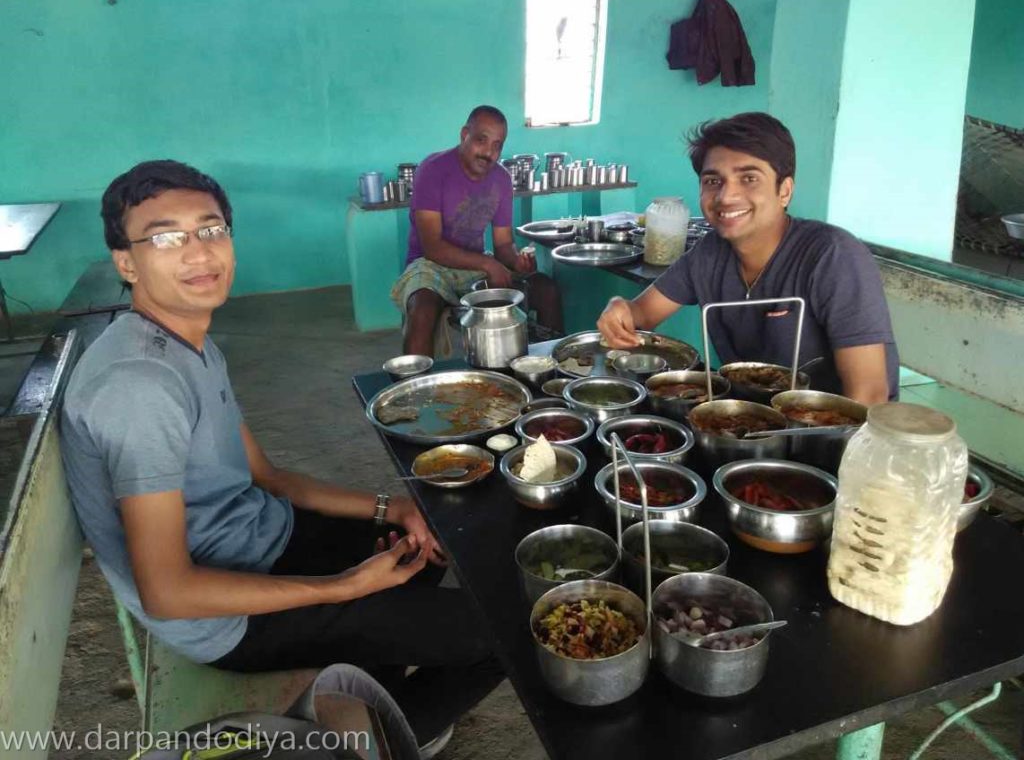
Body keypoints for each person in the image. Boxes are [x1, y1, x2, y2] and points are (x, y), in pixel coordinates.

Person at [60, 160, 503, 754]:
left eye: (211, 229)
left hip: (261, 538)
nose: (198, 252)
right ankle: (395, 735)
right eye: (166, 236)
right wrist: (340, 589)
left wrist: (394, 507)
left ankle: (367, 676)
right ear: (126, 261)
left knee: (426, 541)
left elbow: (266, 475)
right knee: (501, 634)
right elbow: (168, 591)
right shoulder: (139, 386)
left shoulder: (189, 338)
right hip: (221, 618)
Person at [598, 112, 898, 404]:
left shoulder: (833, 256)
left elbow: (869, 395)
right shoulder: (709, 253)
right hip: (747, 418)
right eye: (713, 181)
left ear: (785, 191)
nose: (726, 197)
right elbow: (644, 313)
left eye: (749, 178)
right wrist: (619, 308)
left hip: (832, 433)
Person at [391, 105, 563, 355]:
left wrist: (516, 261)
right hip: (429, 264)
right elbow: (433, 247)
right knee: (422, 308)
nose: (489, 153)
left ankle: (546, 374)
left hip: (474, 267)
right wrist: (489, 265)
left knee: (546, 290)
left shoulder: (502, 179)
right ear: (464, 135)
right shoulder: (433, 170)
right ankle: (414, 389)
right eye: (482, 140)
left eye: (497, 145)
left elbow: (503, 244)